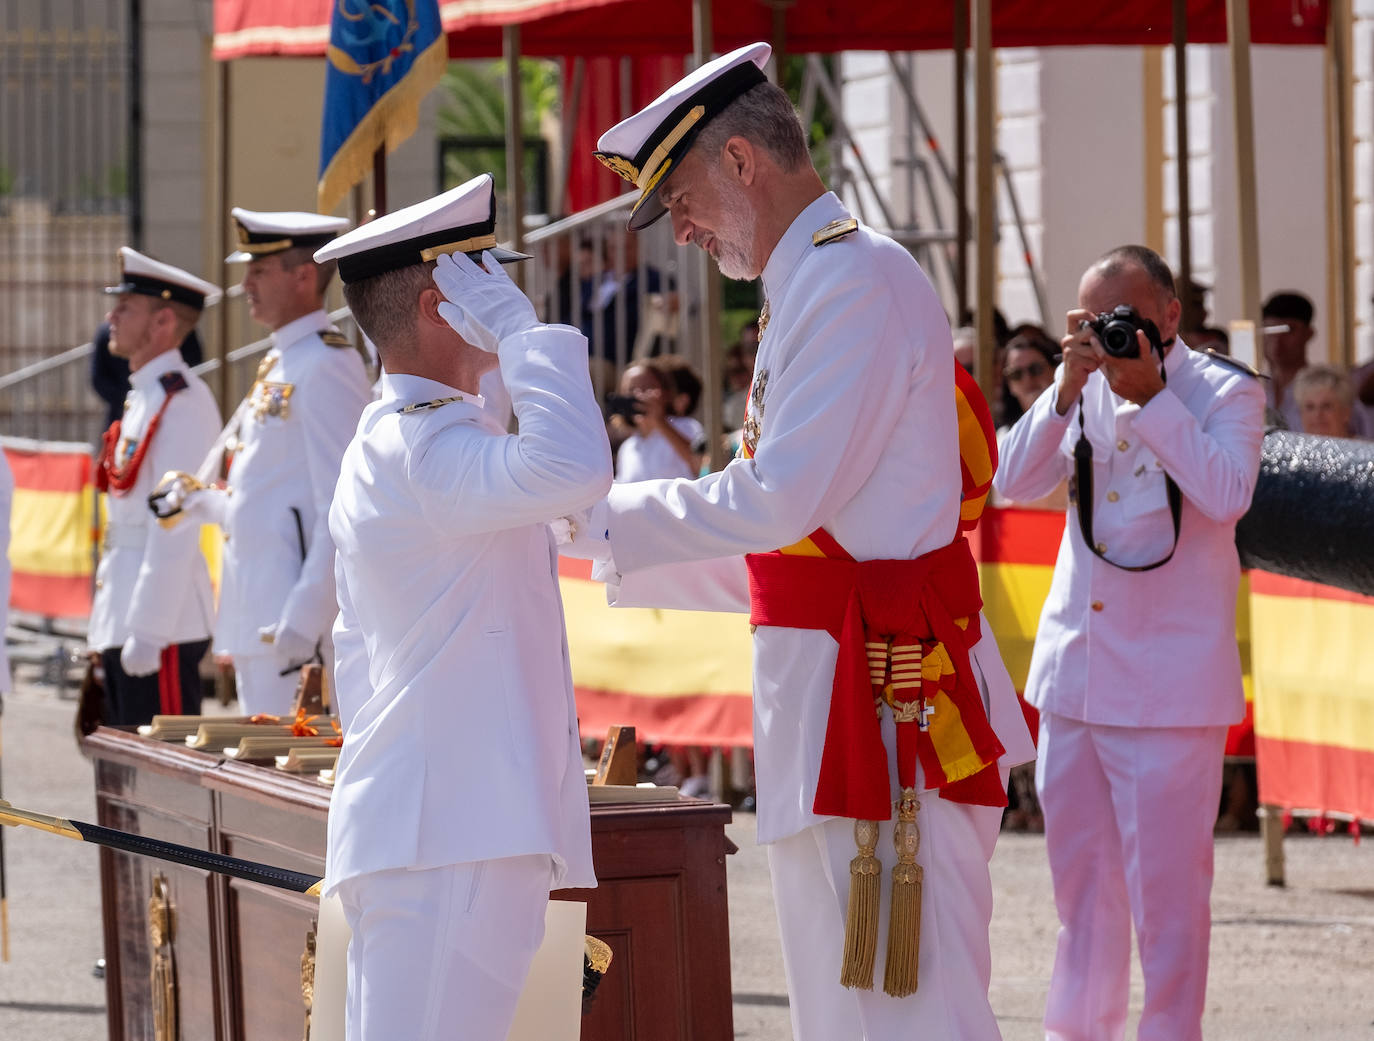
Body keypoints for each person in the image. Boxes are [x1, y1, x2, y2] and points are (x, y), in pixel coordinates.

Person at [573, 42, 1035, 1039]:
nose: (681, 231)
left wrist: (601, 518)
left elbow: (779, 500)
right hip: (844, 699)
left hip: (881, 705)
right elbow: (790, 553)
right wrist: (596, 540)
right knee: (855, 1014)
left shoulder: (847, 281)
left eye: (683, 197)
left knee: (910, 1015)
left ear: (742, 159)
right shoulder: (815, 286)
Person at [314, 173, 608, 1041]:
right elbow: (573, 469)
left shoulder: (406, 436)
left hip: (430, 827)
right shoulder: (429, 448)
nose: (510, 297)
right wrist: (522, 333)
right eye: (490, 282)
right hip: (451, 838)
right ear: (451, 305)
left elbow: (353, 655)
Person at [994, 244, 1265, 1041]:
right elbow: (1011, 483)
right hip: (1077, 675)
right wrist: (1063, 386)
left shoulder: (1224, 391)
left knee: (1170, 907)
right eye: (1090, 320)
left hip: (1169, 691)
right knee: (1082, 899)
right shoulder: (1078, 388)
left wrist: (1151, 400)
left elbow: (1225, 494)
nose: (1109, 333)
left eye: (1125, 316)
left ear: (1171, 315)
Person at [171, 209, 371, 715]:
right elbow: (270, 494)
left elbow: (341, 502)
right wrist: (202, 502)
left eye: (259, 271)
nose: (244, 285)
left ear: (304, 276)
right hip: (260, 609)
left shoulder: (326, 364)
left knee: (299, 770)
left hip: (293, 621)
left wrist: (306, 615)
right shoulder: (284, 359)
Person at [88, 248, 221, 724]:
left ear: (163, 322)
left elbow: (175, 524)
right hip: (125, 612)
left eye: (125, 308)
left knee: (163, 787)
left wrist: (148, 627)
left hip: (163, 625)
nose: (111, 317)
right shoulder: (143, 395)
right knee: (125, 785)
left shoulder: (180, 401)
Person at [90, 321, 203, 430]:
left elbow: (192, 362)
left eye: (125, 306)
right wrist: (133, 400)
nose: (111, 316)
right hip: (120, 413)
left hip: (164, 409)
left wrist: (149, 397)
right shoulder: (106, 332)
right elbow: (99, 380)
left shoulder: (180, 405)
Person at [610, 360, 704, 482]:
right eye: (631, 390)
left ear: (665, 392)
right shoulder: (627, 448)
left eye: (647, 388)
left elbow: (702, 467)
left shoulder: (687, 426)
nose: (638, 395)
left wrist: (659, 422)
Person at [1291, 363, 1358, 437]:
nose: (1317, 414)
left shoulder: (1367, 448)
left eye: (1326, 406)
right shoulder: (1291, 448)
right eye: (1310, 407)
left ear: (1346, 413)